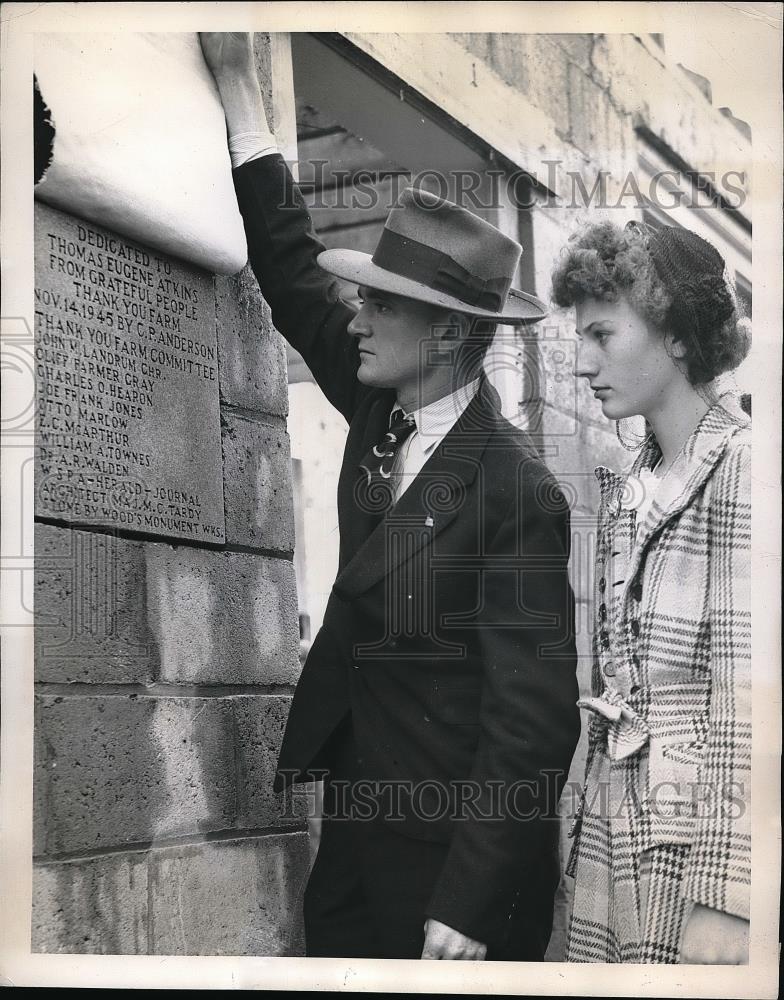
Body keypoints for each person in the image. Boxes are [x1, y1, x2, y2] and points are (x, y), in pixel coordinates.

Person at [200, 32, 579, 961]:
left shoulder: (516, 489)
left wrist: (470, 903)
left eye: (383, 305)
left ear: (449, 333)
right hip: (359, 832)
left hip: (456, 872)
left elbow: (531, 726)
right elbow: (292, 277)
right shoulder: (380, 402)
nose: (357, 318)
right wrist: (242, 97)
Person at [550, 219, 751, 964]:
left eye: (602, 335)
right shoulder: (632, 483)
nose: (581, 363)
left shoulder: (742, 470)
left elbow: (749, 701)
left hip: (692, 856)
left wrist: (730, 901)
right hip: (614, 835)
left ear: (675, 335)